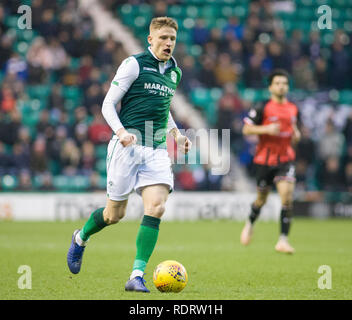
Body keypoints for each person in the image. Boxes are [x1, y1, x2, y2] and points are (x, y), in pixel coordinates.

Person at [67, 17, 191, 292]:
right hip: (127, 147)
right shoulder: (133, 64)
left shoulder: (174, 72)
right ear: (150, 39)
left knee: (157, 207)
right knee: (114, 215)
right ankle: (81, 237)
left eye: (172, 38)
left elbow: (163, 107)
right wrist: (122, 132)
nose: (168, 43)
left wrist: (176, 134)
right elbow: (108, 104)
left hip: (156, 149)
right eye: (163, 38)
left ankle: (136, 275)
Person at [240, 69, 301, 254]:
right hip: (264, 160)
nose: (281, 86)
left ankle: (283, 240)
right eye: (278, 83)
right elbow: (246, 130)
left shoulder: (293, 108)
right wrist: (266, 129)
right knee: (261, 199)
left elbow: (294, 133)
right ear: (270, 87)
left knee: (287, 198)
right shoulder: (262, 107)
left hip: (285, 159)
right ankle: (250, 223)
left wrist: (296, 135)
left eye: (284, 83)